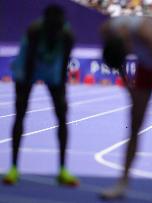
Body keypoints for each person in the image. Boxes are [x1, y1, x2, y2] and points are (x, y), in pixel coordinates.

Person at [100, 16, 152, 202]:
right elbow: (117, 60)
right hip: (145, 65)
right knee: (135, 122)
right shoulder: (107, 31)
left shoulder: (144, 32)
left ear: (128, 41)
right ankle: (122, 183)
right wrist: (129, 87)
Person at [2, 4, 79, 186]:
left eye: (58, 27)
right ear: (45, 23)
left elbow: (63, 67)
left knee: (62, 115)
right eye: (51, 27)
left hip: (52, 69)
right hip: (27, 68)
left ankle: (62, 169)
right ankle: (13, 167)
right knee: (20, 113)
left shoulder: (68, 36)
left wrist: (62, 95)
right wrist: (23, 95)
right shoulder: (35, 31)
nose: (54, 31)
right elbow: (29, 63)